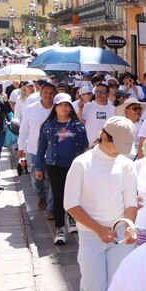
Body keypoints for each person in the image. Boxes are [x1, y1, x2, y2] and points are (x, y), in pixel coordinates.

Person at [63, 116, 139, 291]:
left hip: (119, 235)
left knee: (119, 288)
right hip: (90, 234)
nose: (120, 151)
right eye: (117, 144)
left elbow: (130, 202)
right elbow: (71, 204)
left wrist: (130, 226)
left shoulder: (126, 165)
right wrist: (97, 229)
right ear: (104, 136)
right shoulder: (82, 163)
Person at [35, 93, 89, 245]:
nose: (64, 108)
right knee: (58, 196)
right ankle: (60, 228)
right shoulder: (48, 126)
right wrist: (38, 166)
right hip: (54, 166)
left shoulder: (78, 126)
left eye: (66, 105)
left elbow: (85, 145)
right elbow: (42, 148)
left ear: (71, 108)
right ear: (55, 107)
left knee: (74, 195)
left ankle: (72, 219)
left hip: (74, 166)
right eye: (60, 105)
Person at [18, 81, 56, 213]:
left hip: (53, 151)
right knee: (36, 179)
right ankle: (41, 196)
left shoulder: (58, 109)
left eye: (51, 93)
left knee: (52, 180)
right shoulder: (31, 108)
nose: (48, 95)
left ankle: (51, 208)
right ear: (40, 93)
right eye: (45, 92)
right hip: (34, 149)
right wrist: (20, 146)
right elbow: (24, 129)